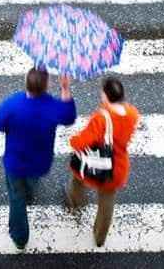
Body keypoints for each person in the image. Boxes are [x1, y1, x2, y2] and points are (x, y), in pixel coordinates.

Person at [0, 68, 76, 251]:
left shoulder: (13, 104)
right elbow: (69, 117)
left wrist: (6, 124)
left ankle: (20, 238)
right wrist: (65, 89)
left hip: (15, 163)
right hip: (40, 163)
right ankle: (30, 192)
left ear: (26, 83)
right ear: (47, 85)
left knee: (16, 198)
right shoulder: (52, 106)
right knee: (30, 181)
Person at [66, 76, 139, 247]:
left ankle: (76, 203)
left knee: (78, 176)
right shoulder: (132, 114)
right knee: (107, 201)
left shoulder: (101, 118)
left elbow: (84, 141)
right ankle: (99, 237)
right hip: (117, 167)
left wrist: (73, 141)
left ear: (106, 95)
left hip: (96, 165)